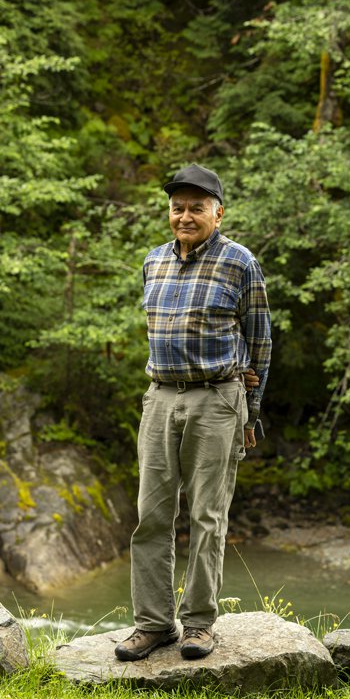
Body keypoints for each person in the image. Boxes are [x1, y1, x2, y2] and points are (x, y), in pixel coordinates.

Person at [115, 163, 271, 662]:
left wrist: (251, 411)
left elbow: (261, 341)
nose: (185, 216)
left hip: (218, 399)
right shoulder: (153, 261)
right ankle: (152, 624)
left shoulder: (240, 262)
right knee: (151, 516)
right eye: (178, 207)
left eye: (196, 208)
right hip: (159, 396)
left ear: (218, 213)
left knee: (207, 515)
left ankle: (199, 624)